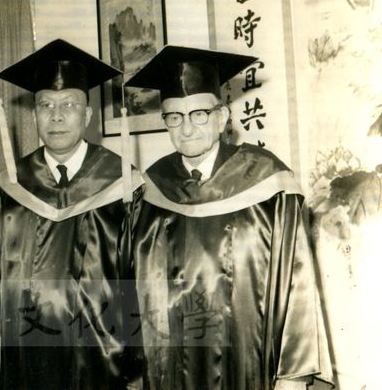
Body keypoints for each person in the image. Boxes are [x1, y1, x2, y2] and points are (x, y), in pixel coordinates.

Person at [126, 46, 333, 390]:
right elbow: (135, 285)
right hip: (171, 367)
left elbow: (297, 282)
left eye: (199, 114)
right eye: (174, 116)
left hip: (248, 360)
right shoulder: (151, 189)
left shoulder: (268, 181)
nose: (186, 128)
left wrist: (293, 375)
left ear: (222, 117)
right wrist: (135, 371)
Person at [0, 39, 145, 390]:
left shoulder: (122, 183)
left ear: (87, 116)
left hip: (103, 357)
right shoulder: (12, 186)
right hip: (28, 356)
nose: (57, 116)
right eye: (46, 105)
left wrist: (137, 367)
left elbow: (139, 279)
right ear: (34, 115)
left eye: (69, 105)